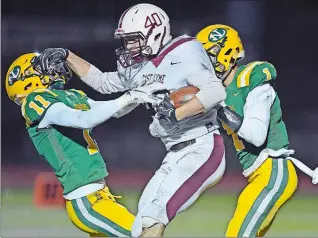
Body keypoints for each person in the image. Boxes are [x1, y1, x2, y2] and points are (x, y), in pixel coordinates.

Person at [38, 3, 227, 237]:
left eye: (133, 39)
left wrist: (175, 112)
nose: (128, 47)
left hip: (202, 147)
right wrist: (68, 56)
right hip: (175, 153)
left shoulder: (185, 52)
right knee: (140, 223)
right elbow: (103, 82)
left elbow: (215, 92)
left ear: (155, 32)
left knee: (154, 218)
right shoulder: (143, 66)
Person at [5, 52, 161, 237]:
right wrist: (129, 97)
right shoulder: (34, 101)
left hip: (101, 195)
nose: (52, 69)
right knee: (146, 234)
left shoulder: (70, 95)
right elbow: (84, 119)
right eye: (40, 67)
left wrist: (140, 95)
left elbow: (113, 110)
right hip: (86, 201)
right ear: (27, 81)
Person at [196, 24, 318, 237]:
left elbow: (256, 136)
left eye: (208, 56)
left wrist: (217, 108)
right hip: (259, 174)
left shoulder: (251, 79)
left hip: (274, 170)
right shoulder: (218, 91)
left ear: (228, 53)